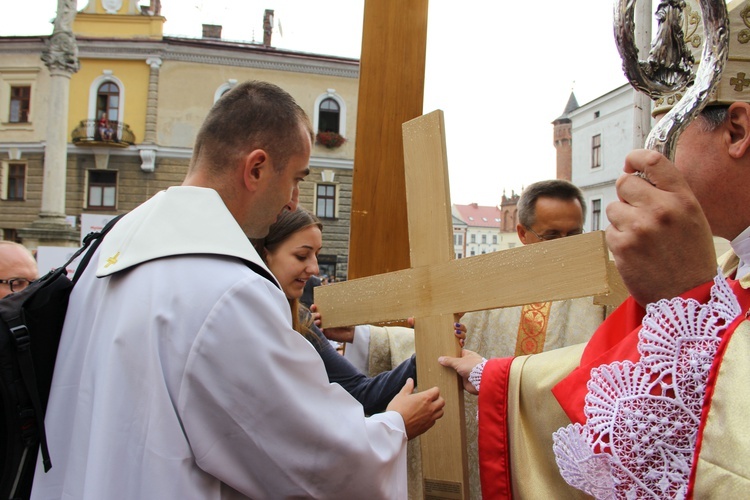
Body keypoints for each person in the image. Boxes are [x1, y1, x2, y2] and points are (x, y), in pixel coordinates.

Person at [31, 80, 444, 499]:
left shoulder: (112, 243)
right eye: (296, 179)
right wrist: (393, 427)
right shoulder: (227, 287)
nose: (291, 201)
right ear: (256, 168)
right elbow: (310, 456)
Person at [439, 2, 750, 497]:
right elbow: (608, 363)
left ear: (736, 130)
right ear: (522, 233)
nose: (650, 158)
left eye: (670, 128)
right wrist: (495, 374)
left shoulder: (692, 263)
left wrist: (689, 298)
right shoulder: (733, 263)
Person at [333, 179, 609, 497]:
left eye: (573, 234)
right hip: (493, 442)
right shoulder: (492, 283)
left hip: (557, 446)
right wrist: (367, 336)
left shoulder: (599, 288)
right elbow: (445, 342)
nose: (564, 245)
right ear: (522, 234)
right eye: (551, 236)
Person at [252, 207, 417, 414]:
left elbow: (360, 392)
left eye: (316, 255)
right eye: (302, 256)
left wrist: (420, 360)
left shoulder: (302, 321)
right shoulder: (246, 316)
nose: (315, 268)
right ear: (266, 255)